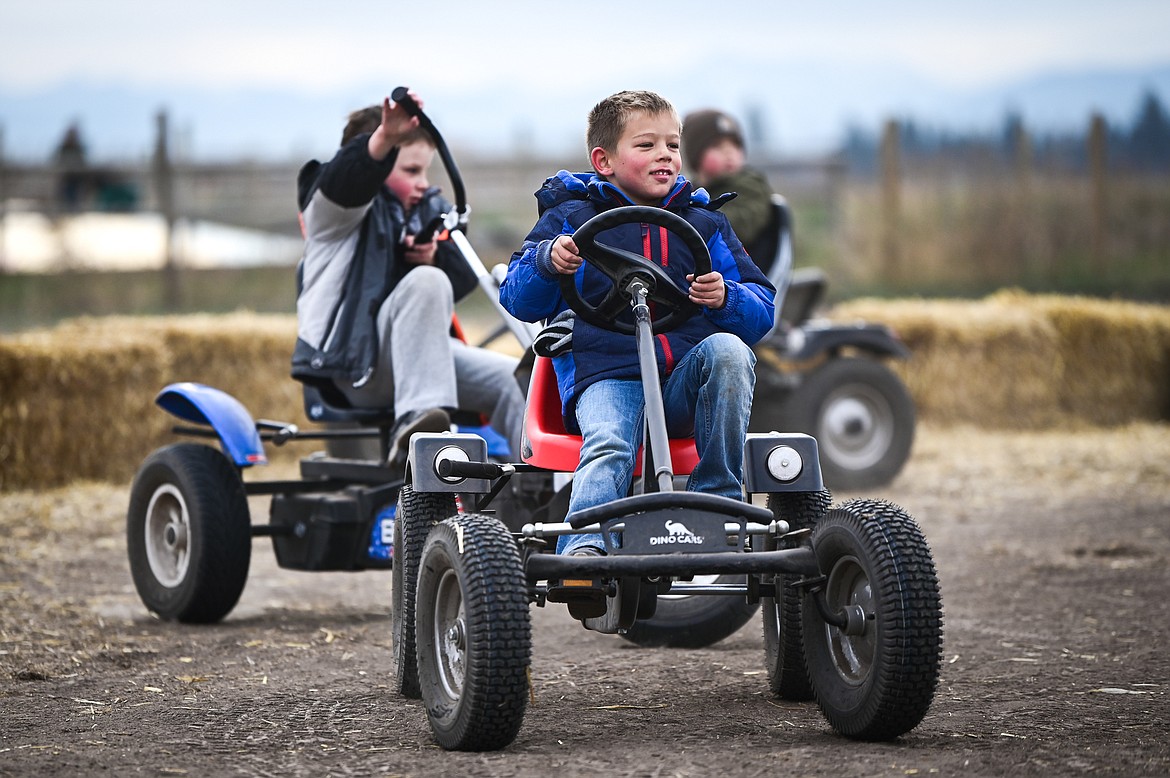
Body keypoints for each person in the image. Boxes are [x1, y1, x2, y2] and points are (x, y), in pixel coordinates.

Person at [500, 90, 776, 555]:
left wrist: (726, 297)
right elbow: (519, 297)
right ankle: (585, 547)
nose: (664, 155)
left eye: (672, 145)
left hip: (683, 384)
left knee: (731, 351)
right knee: (610, 443)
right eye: (646, 145)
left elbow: (761, 307)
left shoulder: (703, 223)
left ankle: (716, 512)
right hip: (607, 374)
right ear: (603, 160)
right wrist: (550, 261)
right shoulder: (570, 218)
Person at [292, 91, 525, 464]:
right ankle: (422, 433)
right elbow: (346, 181)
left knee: (519, 378)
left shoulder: (423, 212)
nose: (423, 183)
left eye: (426, 171)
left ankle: (545, 491)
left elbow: (457, 280)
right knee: (427, 282)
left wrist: (432, 258)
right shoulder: (333, 216)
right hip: (355, 367)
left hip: (422, 360)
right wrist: (383, 138)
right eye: (412, 171)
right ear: (380, 163)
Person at [681, 109, 777, 263]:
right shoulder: (688, 191)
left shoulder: (749, 185)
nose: (729, 153)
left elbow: (742, 227)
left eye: (735, 145)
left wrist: (694, 217)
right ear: (696, 155)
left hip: (741, 274)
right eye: (717, 146)